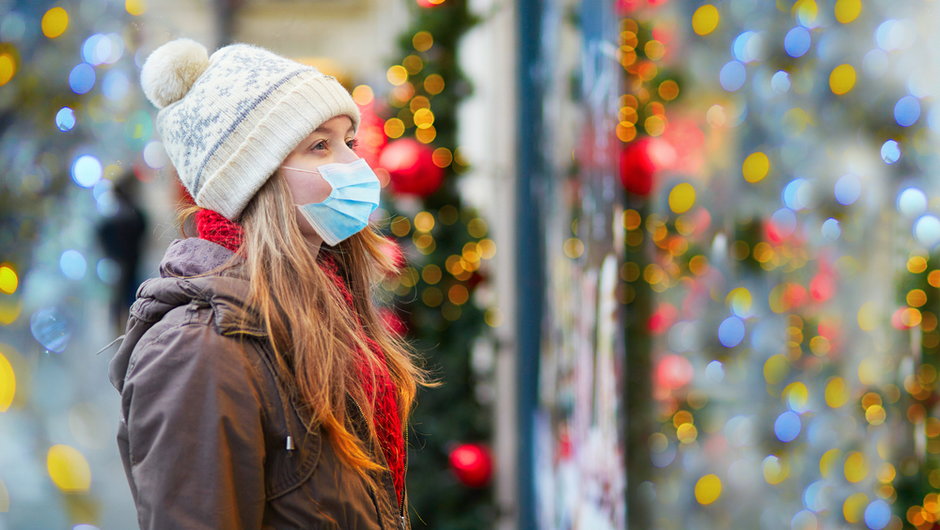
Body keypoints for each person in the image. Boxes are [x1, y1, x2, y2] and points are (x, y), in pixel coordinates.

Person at [107, 38, 430, 529]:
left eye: (349, 141)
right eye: (319, 145)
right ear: (252, 180)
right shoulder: (200, 349)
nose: (353, 165)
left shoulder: (328, 304)